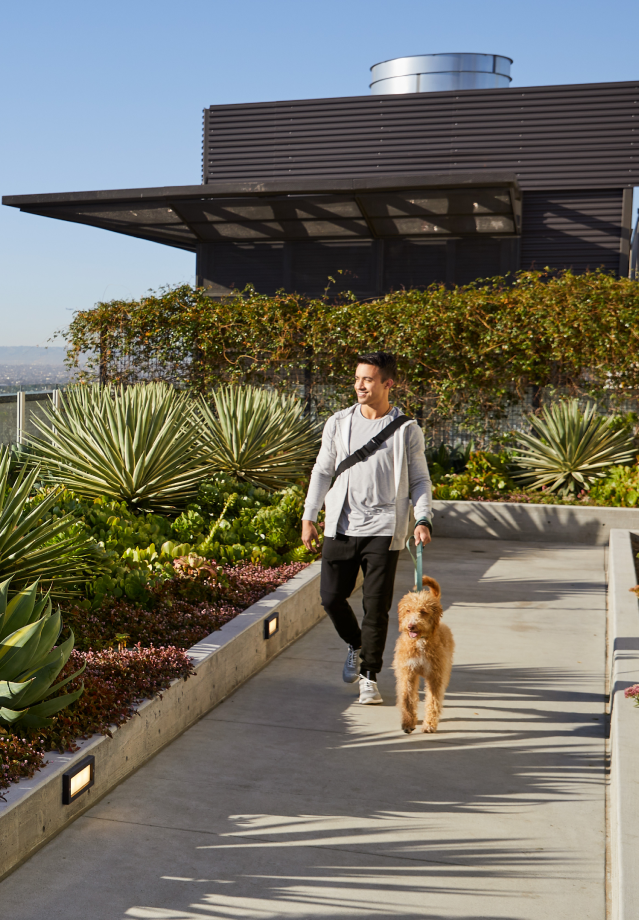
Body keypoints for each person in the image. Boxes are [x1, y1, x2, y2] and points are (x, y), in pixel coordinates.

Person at [301, 351, 433, 705]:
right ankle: (356, 645)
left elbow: (420, 479)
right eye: (358, 378)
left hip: (384, 529)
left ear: (388, 384)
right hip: (341, 524)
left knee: (376, 609)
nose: (360, 385)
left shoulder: (406, 430)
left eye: (368, 379)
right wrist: (309, 515)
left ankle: (369, 677)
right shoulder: (339, 423)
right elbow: (322, 470)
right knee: (330, 597)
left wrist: (422, 518)